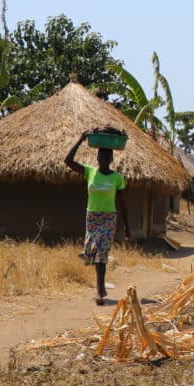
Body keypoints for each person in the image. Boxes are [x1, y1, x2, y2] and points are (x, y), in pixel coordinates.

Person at [65, 129, 129, 305]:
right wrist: (80, 139)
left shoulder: (117, 178)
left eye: (106, 158)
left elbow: (122, 202)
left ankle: (100, 289)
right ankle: (100, 285)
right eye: (100, 157)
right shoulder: (90, 172)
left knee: (102, 253)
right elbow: (68, 161)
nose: (103, 160)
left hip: (109, 217)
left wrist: (127, 227)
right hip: (92, 216)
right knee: (91, 253)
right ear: (97, 159)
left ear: (111, 160)